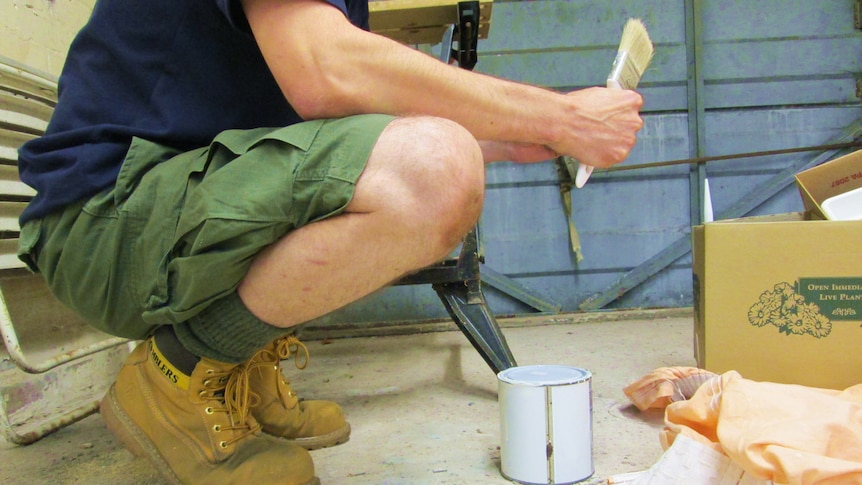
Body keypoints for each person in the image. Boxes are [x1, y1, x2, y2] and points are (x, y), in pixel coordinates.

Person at [16, 0, 644, 483]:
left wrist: (513, 138)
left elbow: (329, 126)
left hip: (159, 202)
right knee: (434, 170)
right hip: (107, 222)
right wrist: (559, 116)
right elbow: (327, 71)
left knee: (425, 161)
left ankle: (239, 365)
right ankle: (176, 374)